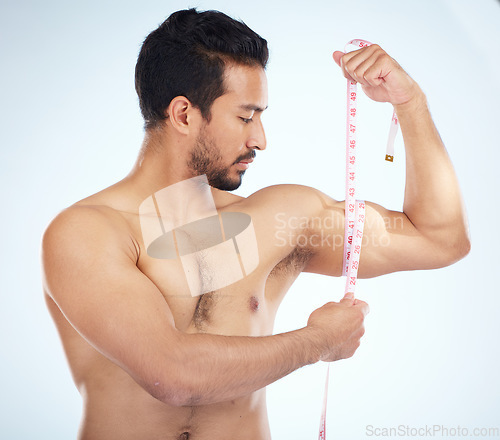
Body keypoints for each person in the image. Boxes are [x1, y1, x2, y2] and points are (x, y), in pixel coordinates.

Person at [41, 8, 470, 440]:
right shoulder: (87, 233)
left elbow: (438, 239)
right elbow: (172, 375)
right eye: (246, 117)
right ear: (184, 114)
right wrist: (316, 342)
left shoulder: (278, 220)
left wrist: (410, 103)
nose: (260, 139)